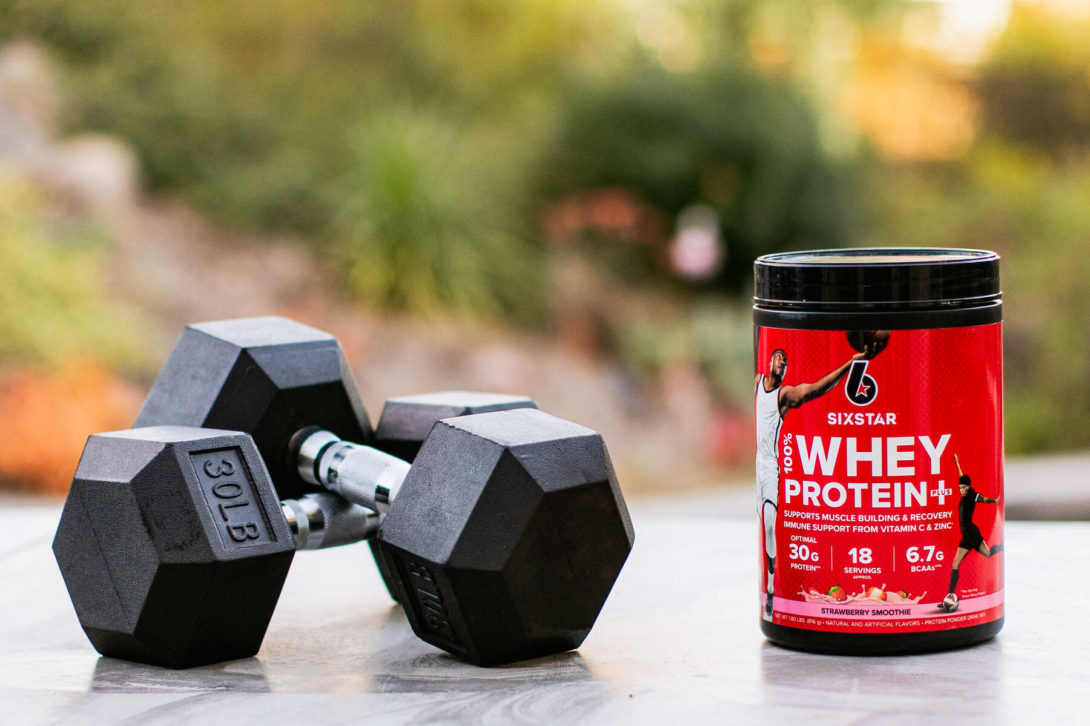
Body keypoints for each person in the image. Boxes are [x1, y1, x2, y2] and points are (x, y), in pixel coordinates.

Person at [754, 337, 886, 620]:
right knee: (765, 529)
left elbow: (814, 389)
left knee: (769, 527)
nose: (782, 362)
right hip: (759, 461)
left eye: (785, 361)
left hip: (771, 469)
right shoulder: (756, 384)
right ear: (769, 362)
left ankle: (771, 587)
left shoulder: (784, 396)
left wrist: (851, 364)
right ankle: (770, 592)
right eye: (778, 357)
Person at [942, 454, 1002, 612]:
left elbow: (983, 499)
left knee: (987, 554)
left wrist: (993, 501)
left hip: (973, 533)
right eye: (960, 487)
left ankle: (999, 547)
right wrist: (957, 463)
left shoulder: (972, 496)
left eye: (964, 487)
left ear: (968, 488)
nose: (961, 490)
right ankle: (949, 596)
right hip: (965, 536)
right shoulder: (964, 492)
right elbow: (961, 476)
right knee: (955, 564)